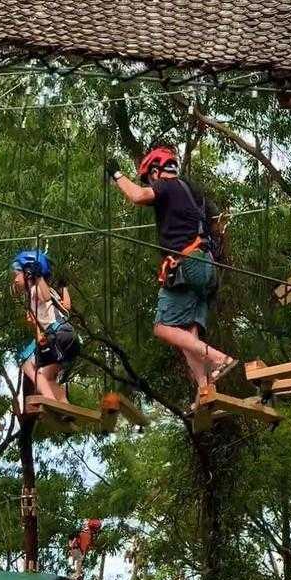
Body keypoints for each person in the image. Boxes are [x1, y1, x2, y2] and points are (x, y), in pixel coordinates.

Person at [106, 144, 236, 400]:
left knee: (162, 327)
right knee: (187, 334)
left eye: (149, 178)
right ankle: (205, 389)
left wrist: (117, 175)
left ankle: (220, 359)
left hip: (188, 264)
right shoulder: (192, 192)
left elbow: (138, 196)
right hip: (205, 265)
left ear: (156, 171)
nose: (150, 183)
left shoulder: (167, 185)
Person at [11, 249, 80, 402]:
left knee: (25, 362)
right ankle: (64, 406)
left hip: (58, 336)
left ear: (28, 273)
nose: (14, 280)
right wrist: (65, 287)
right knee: (48, 379)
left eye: (16, 274)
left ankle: (49, 399)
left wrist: (38, 277)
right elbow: (66, 307)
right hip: (69, 336)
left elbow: (45, 297)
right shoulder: (52, 291)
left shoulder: (36, 289)